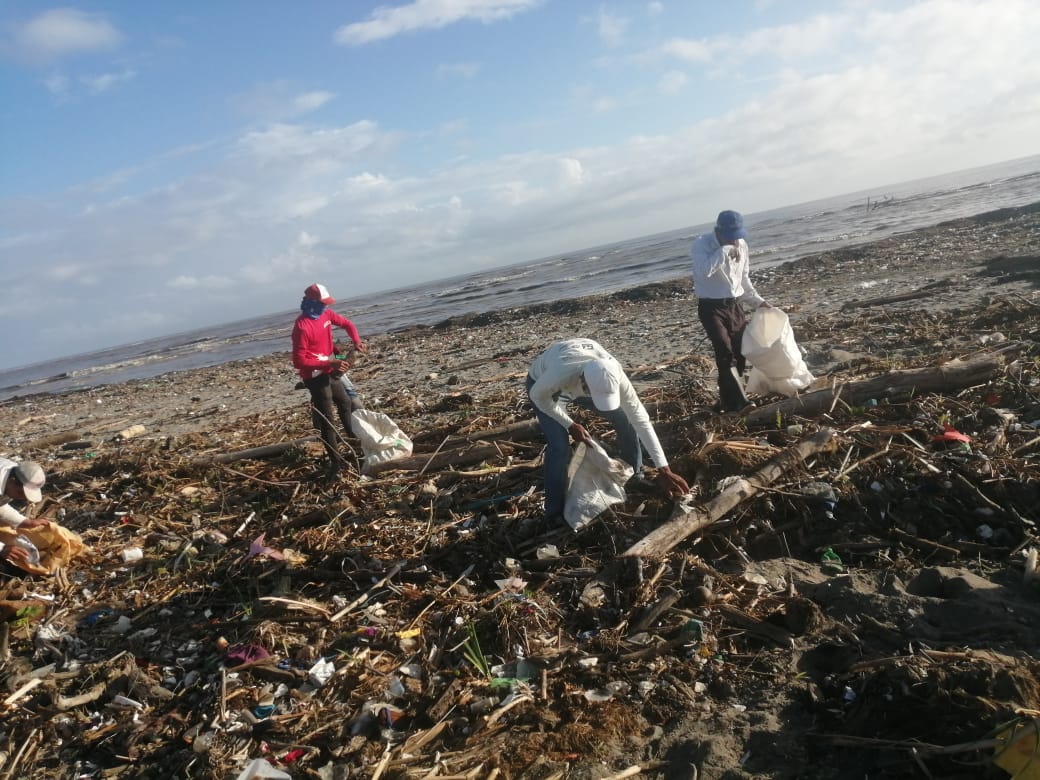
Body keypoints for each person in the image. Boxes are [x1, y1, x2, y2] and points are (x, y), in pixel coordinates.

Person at [526, 338, 689, 525]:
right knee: (559, 447)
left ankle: (635, 475)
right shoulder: (559, 374)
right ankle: (553, 513)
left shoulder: (615, 374)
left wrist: (664, 469)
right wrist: (570, 424)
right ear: (583, 381)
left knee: (624, 418)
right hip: (544, 389)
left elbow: (640, 420)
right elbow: (538, 397)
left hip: (581, 380)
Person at [691, 210, 771, 412]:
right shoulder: (702, 245)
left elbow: (743, 280)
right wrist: (725, 250)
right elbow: (704, 270)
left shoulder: (742, 245)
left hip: (734, 305)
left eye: (737, 235)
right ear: (718, 230)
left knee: (740, 352)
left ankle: (727, 401)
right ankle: (741, 403)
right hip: (711, 307)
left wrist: (759, 302)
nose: (735, 240)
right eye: (730, 236)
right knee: (724, 352)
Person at [291, 283, 367, 477]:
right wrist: (329, 363)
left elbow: (347, 324)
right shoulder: (301, 326)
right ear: (311, 302)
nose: (325, 306)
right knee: (328, 420)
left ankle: (353, 439)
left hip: (328, 368)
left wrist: (356, 341)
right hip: (314, 376)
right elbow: (299, 361)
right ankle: (335, 463)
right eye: (322, 303)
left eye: (327, 303)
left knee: (345, 402)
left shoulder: (326, 315)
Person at [0, 458, 51, 567]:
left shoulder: (16, 472)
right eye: (19, 493)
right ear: (11, 482)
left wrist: (24, 522)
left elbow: (1, 505)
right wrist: (2, 548)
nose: (22, 498)